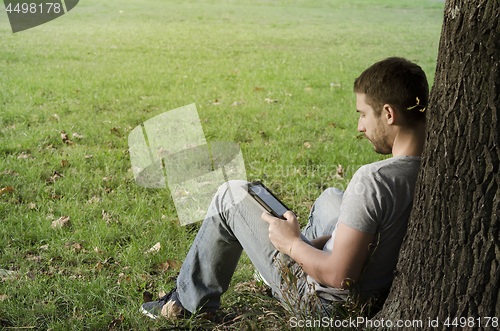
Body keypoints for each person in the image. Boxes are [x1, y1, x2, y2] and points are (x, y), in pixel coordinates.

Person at [140, 57, 429, 319]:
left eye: (364, 114)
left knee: (231, 193)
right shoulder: (434, 168)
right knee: (331, 198)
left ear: (389, 114)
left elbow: (341, 275)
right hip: (377, 289)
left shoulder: (373, 180)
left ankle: (186, 303)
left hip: (325, 304)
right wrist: (316, 244)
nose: (359, 126)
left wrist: (291, 244)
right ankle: (302, 250)